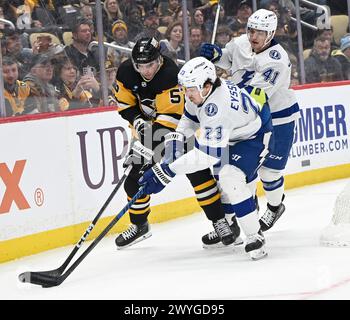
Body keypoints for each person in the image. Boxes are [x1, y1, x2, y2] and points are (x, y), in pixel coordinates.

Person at [139, 57, 274, 260]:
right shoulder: (201, 93)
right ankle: (232, 226)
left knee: (230, 177)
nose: (187, 93)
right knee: (223, 182)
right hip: (233, 134)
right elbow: (189, 118)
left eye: (191, 89)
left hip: (253, 136)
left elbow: (206, 156)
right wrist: (175, 142)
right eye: (185, 88)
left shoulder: (218, 107)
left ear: (207, 85)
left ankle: (255, 237)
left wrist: (166, 172)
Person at [113, 37, 238, 249]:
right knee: (134, 178)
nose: (146, 71)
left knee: (198, 174)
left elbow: (170, 119)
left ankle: (219, 220)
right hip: (144, 132)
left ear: (159, 60)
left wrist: (147, 145)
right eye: (140, 66)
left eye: (150, 65)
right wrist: (138, 121)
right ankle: (139, 225)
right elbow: (125, 105)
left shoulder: (171, 74)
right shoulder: (125, 72)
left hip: (177, 130)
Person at [200, 9, 300, 239]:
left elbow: (255, 97)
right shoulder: (241, 43)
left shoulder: (276, 60)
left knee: (269, 172)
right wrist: (216, 55)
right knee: (234, 172)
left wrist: (219, 94)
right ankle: (236, 220)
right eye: (251, 30)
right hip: (247, 120)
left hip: (277, 118)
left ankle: (275, 208)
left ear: (271, 33)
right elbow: (228, 59)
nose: (253, 36)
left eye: (260, 32)